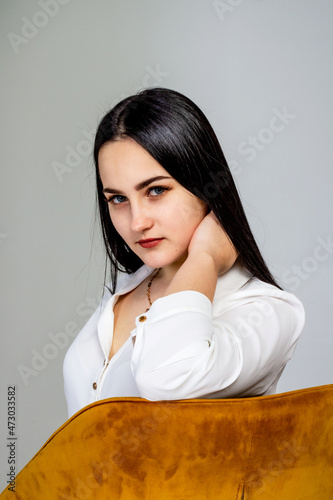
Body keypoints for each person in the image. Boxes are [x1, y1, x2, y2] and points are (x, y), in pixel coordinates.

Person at [63, 87, 305, 418]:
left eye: (156, 190)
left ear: (206, 186)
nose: (137, 222)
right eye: (117, 198)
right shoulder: (124, 290)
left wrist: (205, 256)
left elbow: (165, 377)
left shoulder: (267, 312)